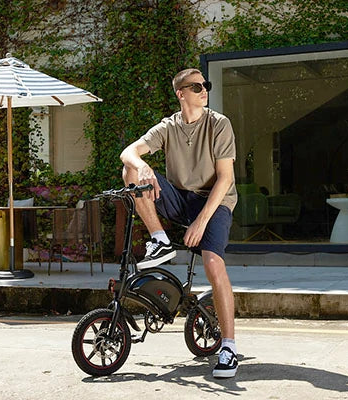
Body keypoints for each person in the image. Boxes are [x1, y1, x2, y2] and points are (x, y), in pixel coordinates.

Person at [120, 68, 238, 378]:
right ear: (180, 93)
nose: (204, 89)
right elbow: (128, 152)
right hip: (180, 198)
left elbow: (225, 179)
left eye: (205, 85)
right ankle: (159, 239)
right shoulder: (168, 127)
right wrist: (143, 166)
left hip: (215, 201)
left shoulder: (219, 124)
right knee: (130, 171)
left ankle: (228, 347)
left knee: (213, 264)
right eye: (196, 86)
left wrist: (200, 222)